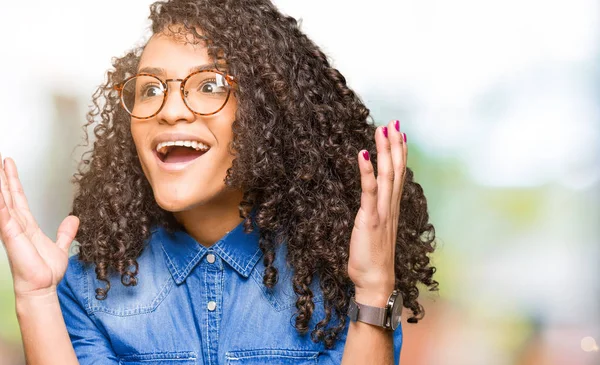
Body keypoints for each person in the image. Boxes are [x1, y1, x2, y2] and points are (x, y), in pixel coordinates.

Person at [0, 0, 438, 364]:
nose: (170, 110)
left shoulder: (342, 285)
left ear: (268, 114)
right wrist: (35, 297)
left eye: (209, 85)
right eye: (150, 89)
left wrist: (374, 289)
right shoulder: (86, 290)